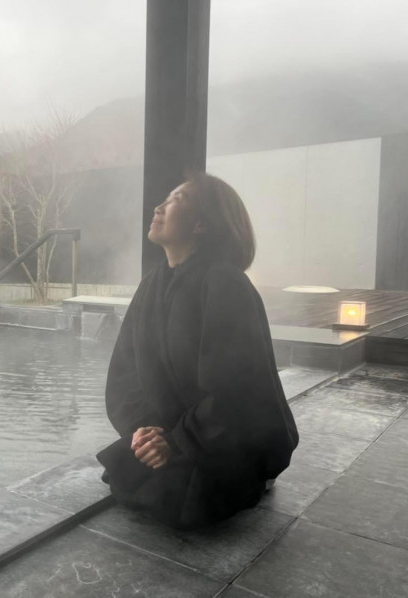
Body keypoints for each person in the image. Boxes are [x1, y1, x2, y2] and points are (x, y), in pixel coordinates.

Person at [96, 172, 298, 530]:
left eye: (176, 199)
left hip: (227, 437)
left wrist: (178, 441)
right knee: (127, 470)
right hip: (174, 431)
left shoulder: (226, 284)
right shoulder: (151, 285)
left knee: (181, 501)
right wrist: (146, 431)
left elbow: (238, 390)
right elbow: (126, 373)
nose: (159, 207)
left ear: (201, 224)